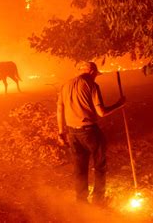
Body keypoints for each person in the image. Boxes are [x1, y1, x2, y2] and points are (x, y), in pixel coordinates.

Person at [57, 61, 126, 206]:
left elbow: (59, 110)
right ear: (91, 72)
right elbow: (101, 112)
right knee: (100, 165)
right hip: (89, 131)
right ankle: (98, 200)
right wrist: (119, 104)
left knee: (80, 168)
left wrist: (61, 132)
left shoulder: (65, 85)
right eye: (95, 75)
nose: (96, 77)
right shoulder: (92, 85)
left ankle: (81, 201)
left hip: (72, 133)